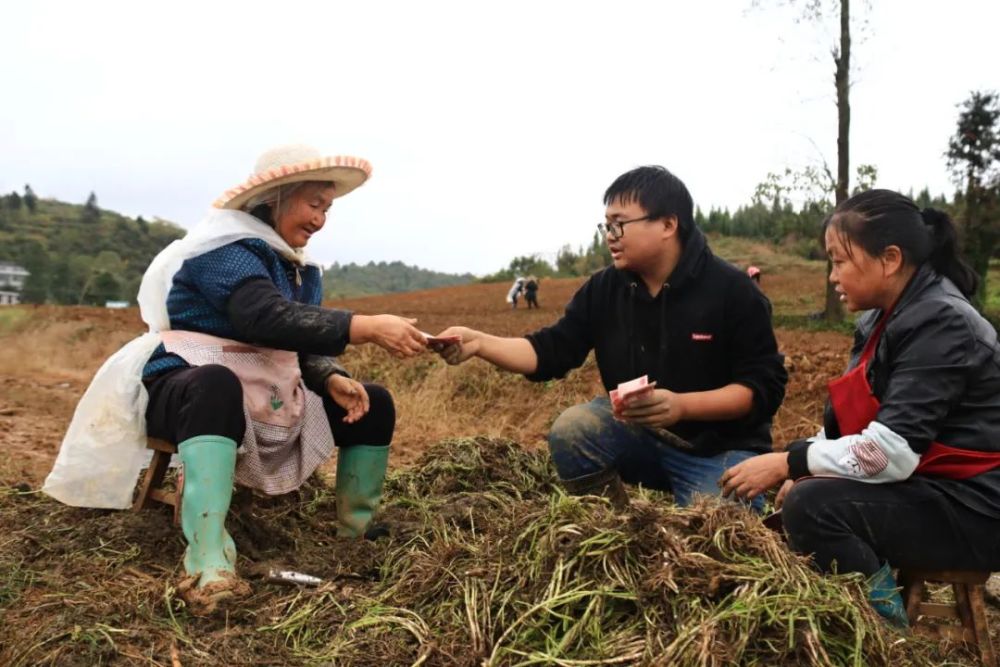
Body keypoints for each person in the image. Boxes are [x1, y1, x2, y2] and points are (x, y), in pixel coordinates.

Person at [43, 145, 429, 614]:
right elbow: (261, 316)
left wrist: (329, 376)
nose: (320, 220)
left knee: (374, 402)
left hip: (266, 387)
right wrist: (362, 326)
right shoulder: (224, 248)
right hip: (187, 387)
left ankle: (357, 533)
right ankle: (207, 558)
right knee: (216, 384)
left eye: (327, 209)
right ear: (276, 197)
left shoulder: (299, 266)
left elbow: (297, 338)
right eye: (313, 204)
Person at [719, 189, 1000, 626]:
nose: (833, 276)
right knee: (807, 490)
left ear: (890, 259)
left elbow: (889, 453)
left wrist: (791, 463)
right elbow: (856, 428)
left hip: (976, 507)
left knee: (813, 506)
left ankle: (884, 631)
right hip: (930, 486)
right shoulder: (883, 318)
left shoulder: (941, 322)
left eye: (840, 261)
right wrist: (806, 465)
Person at [435, 166, 787, 508]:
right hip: (642, 437)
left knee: (714, 531)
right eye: (606, 225)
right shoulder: (605, 289)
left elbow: (761, 389)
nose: (610, 236)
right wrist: (480, 343)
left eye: (619, 224)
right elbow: (550, 350)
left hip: (721, 450)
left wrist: (681, 406)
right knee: (575, 429)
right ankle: (617, 525)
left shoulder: (733, 291)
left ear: (668, 225)